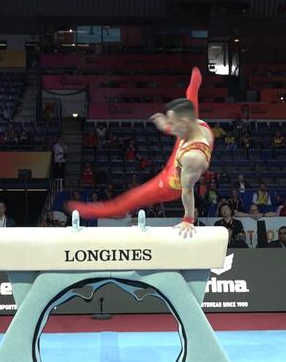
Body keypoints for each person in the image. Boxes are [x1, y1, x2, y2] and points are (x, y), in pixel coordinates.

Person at [68, 68, 213, 238]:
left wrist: (188, 219)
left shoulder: (194, 157)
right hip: (185, 149)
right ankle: (193, 88)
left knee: (132, 198)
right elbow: (183, 124)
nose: (169, 128)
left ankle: (89, 210)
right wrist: (167, 124)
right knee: (191, 103)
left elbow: (188, 190)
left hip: (172, 183)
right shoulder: (196, 124)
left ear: (183, 123)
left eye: (172, 124)